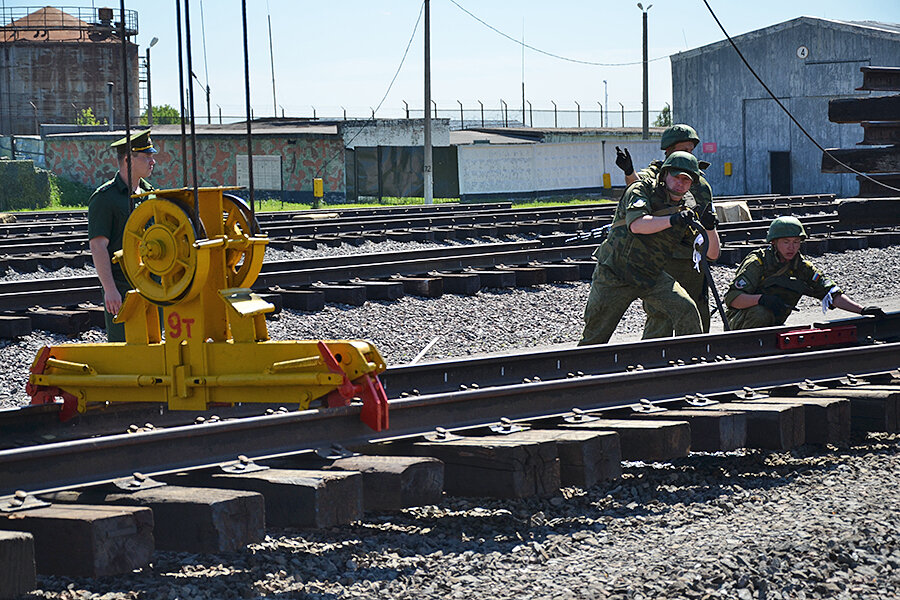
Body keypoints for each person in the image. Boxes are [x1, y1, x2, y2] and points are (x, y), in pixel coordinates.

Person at [579, 151, 720, 345]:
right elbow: (638, 224)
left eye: (686, 180)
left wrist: (710, 228)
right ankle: (580, 372)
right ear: (664, 175)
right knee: (596, 336)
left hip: (650, 273)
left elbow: (711, 255)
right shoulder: (641, 189)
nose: (680, 183)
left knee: (686, 309)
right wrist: (674, 220)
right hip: (615, 272)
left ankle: (691, 363)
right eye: (676, 177)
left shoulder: (688, 207)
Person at [615, 124, 718, 337]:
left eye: (690, 150)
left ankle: (695, 359)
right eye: (683, 150)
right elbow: (640, 191)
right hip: (663, 256)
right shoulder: (658, 175)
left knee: (697, 311)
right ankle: (654, 361)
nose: (688, 154)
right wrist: (629, 172)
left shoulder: (700, 183)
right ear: (668, 150)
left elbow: (708, 219)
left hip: (692, 259)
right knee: (661, 314)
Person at [724, 216, 885, 329]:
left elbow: (831, 293)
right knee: (760, 313)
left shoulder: (801, 267)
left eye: (795, 242)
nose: (791, 247)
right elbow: (733, 299)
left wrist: (863, 310)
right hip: (740, 322)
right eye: (786, 242)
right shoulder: (757, 262)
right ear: (774, 242)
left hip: (772, 323)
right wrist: (762, 299)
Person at [87, 130, 157, 342]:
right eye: (146, 157)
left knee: (154, 345)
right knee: (126, 347)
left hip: (152, 283)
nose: (153, 161)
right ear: (128, 159)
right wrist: (110, 290)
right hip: (123, 286)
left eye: (152, 156)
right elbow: (98, 246)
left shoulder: (150, 193)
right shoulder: (105, 198)